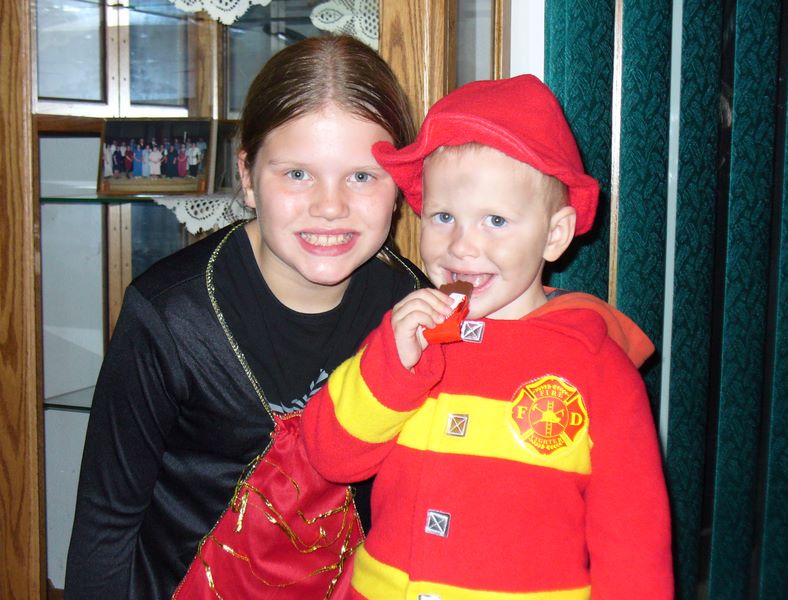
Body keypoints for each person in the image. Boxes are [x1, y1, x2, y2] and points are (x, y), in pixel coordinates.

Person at [64, 35, 423, 599]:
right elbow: (106, 526)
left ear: (399, 185)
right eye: (297, 174)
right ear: (248, 176)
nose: (330, 206)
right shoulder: (169, 316)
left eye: (361, 176)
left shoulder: (413, 310)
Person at [302, 75, 674, 599]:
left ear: (554, 235)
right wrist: (390, 365)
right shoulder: (408, 335)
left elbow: (634, 547)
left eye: (495, 220)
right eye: (444, 216)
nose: (462, 246)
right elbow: (331, 455)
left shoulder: (596, 366)